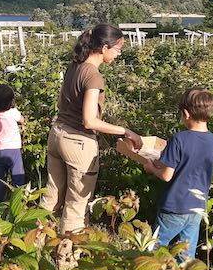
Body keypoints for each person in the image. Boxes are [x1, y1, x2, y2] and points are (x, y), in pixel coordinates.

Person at [41, 24, 143, 233]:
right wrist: (125, 131)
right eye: (117, 48)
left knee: (51, 197)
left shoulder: (74, 65)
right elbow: (89, 121)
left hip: (57, 133)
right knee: (76, 205)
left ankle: (33, 242)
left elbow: (61, 103)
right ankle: (68, 258)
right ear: (104, 48)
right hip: (78, 142)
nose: (119, 54)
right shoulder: (93, 76)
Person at [144, 87, 213, 260]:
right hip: (197, 206)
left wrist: (151, 168)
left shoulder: (179, 139)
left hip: (174, 205)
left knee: (154, 247)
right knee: (186, 253)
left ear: (186, 114)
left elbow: (166, 175)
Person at [0, 84, 25, 205]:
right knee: (18, 177)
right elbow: (22, 120)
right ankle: (18, 204)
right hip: (13, 150)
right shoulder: (13, 112)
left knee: (0, 179)